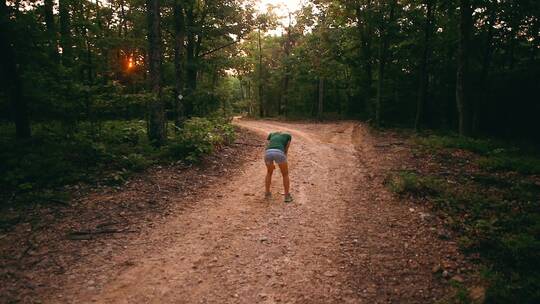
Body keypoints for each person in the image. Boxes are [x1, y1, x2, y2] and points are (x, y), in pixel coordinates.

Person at [264, 131, 293, 203]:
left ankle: (267, 193)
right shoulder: (288, 135)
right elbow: (286, 150)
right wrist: (284, 158)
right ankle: (287, 196)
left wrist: (270, 164)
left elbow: (267, 146)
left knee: (269, 172)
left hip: (268, 153)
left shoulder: (271, 134)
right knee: (285, 174)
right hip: (279, 152)